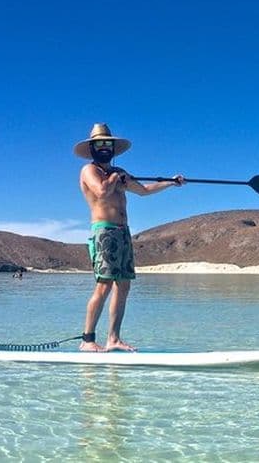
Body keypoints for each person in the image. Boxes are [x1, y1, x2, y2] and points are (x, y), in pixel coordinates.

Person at [74, 123, 185, 352]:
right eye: (100, 144)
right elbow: (102, 191)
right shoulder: (89, 171)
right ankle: (87, 340)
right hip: (104, 231)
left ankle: (113, 339)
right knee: (103, 286)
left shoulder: (117, 172)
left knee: (123, 286)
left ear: (113, 147)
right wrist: (116, 177)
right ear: (93, 148)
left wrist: (171, 183)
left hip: (123, 233)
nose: (104, 147)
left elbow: (143, 191)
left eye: (108, 143)